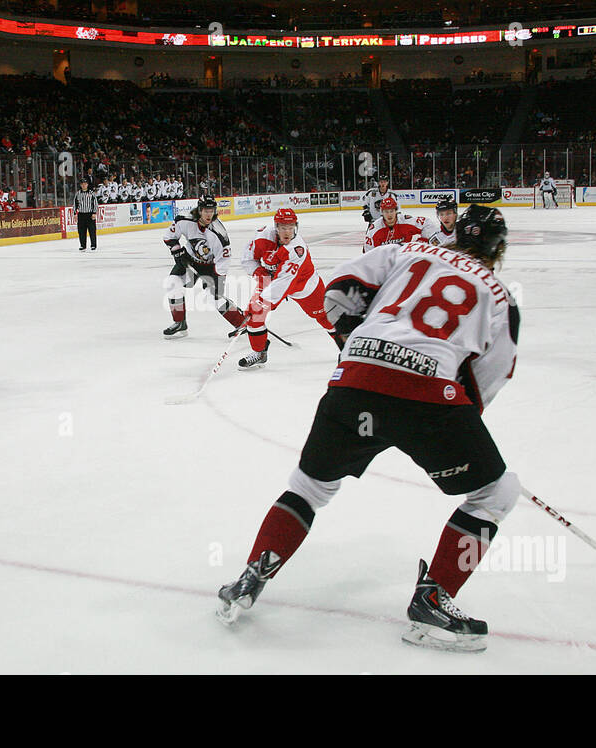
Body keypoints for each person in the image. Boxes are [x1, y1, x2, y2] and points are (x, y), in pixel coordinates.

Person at [216, 205, 521, 654]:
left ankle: (251, 578)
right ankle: (433, 601)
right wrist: (457, 422)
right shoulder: (501, 297)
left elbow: (336, 292)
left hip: (355, 379)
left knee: (309, 487)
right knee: (497, 494)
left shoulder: (407, 249)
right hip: (429, 396)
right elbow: (488, 379)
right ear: (498, 250)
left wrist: (363, 344)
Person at [238, 208, 345, 370]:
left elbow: (282, 284)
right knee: (255, 318)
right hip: (271, 280)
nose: (287, 232)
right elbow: (248, 259)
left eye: (291, 227)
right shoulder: (262, 237)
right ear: (276, 227)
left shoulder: (296, 249)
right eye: (283, 227)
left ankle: (347, 352)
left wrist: (260, 303)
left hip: (304, 284)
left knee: (326, 317)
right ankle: (259, 352)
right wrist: (261, 273)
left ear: (296, 227)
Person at [161, 195, 245, 339]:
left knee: (215, 297)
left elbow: (223, 260)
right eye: (206, 210)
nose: (209, 214)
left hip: (211, 266)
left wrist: (218, 280)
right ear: (199, 210)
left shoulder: (218, 233)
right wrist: (177, 251)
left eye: (211, 210)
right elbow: (169, 236)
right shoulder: (184, 221)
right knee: (173, 283)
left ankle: (241, 323)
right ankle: (180, 323)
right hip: (190, 260)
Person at [362, 198, 441, 252]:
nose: (389, 215)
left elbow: (427, 223)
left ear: (396, 211)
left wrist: (426, 241)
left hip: (405, 258)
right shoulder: (375, 229)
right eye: (386, 211)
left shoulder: (405, 221)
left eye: (392, 211)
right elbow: (368, 252)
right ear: (382, 213)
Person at [73, 178, 98, 251]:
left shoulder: (91, 193)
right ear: (80, 185)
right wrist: (75, 213)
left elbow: (95, 204)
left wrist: (94, 213)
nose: (84, 185)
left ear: (87, 184)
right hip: (81, 215)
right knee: (81, 231)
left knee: (92, 231)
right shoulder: (78, 193)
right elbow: (75, 204)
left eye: (85, 184)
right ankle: (83, 245)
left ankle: (93, 245)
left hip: (90, 215)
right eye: (82, 184)